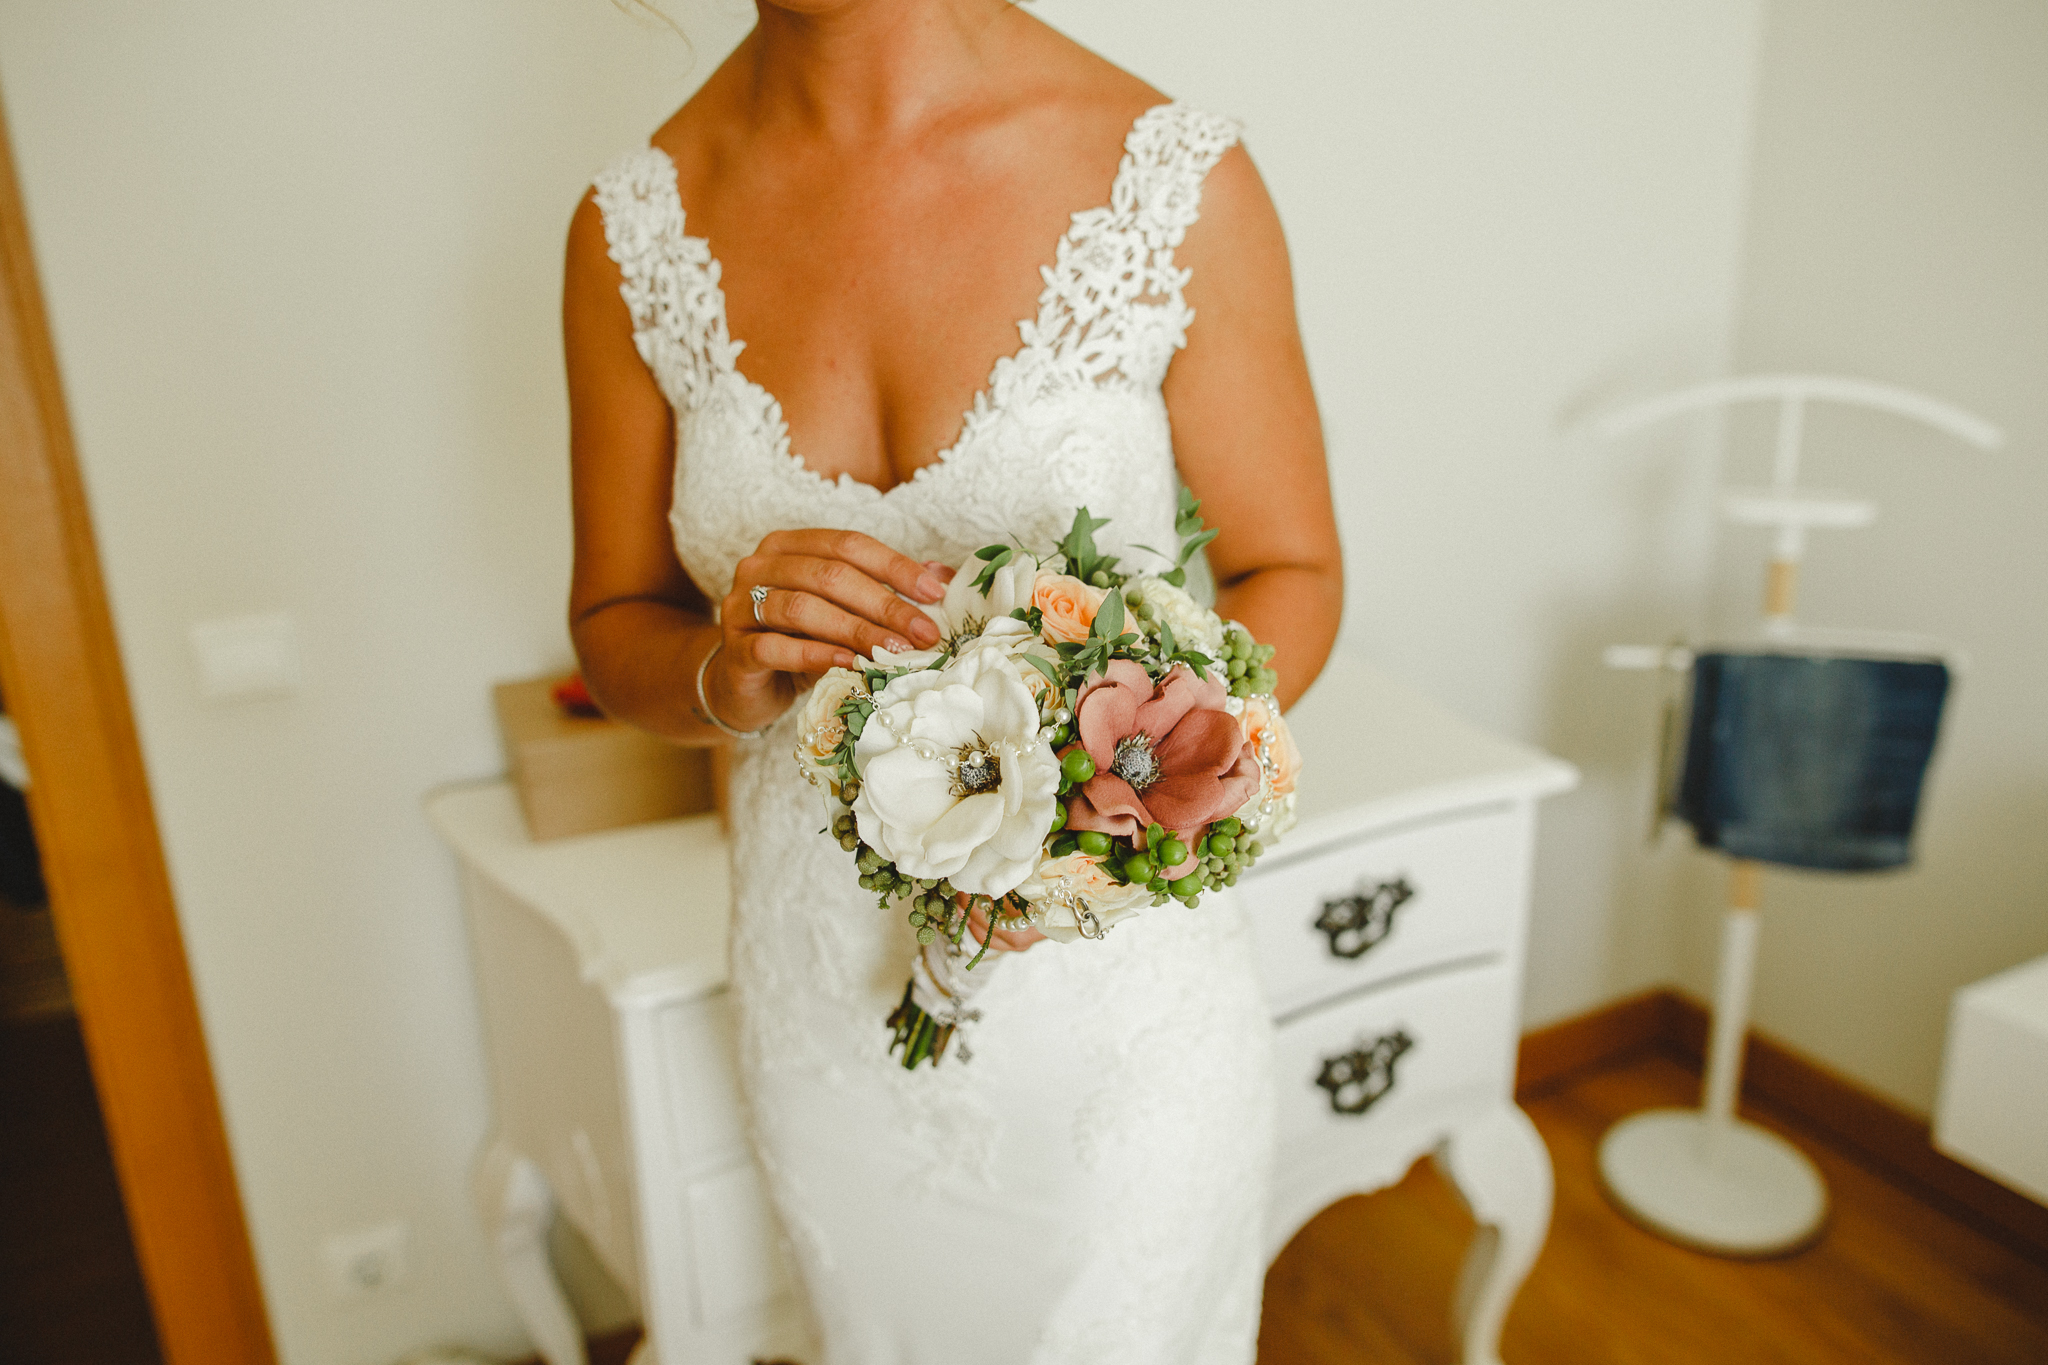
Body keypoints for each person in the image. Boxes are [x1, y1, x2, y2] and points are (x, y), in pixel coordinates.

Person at [563, 2, 1342, 1359]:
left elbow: (1292, 570)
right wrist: (722, 667)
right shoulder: (631, 229)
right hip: (831, 1007)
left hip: (1116, 1002)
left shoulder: (1170, 177)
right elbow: (612, 620)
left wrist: (1100, 822)